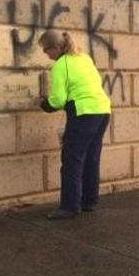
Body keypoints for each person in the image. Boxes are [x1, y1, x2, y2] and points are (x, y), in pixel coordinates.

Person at [33, 30, 111, 220]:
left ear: (56, 48)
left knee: (71, 160)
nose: (45, 54)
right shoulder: (84, 58)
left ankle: (69, 206)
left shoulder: (61, 65)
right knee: (91, 157)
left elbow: (58, 100)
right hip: (102, 111)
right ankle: (89, 201)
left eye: (45, 50)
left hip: (83, 113)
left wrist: (42, 103)